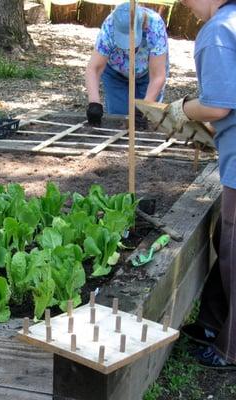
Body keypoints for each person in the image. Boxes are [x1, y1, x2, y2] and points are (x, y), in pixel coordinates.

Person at [176, 0, 236, 370]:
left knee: (234, 251)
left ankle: (231, 348)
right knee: (222, 241)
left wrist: (182, 108)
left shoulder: (217, 31)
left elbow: (217, 107)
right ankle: (213, 324)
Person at [85, 2, 169, 127]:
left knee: (144, 122)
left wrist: (145, 107)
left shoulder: (155, 26)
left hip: (147, 74)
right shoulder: (109, 26)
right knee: (118, 119)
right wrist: (94, 103)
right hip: (116, 73)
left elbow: (158, 75)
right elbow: (94, 69)